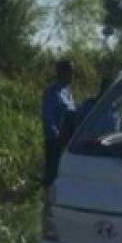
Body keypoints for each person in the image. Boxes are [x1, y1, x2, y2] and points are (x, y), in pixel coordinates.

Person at [41, 60, 76, 188]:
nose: (72, 76)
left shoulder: (68, 92)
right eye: (70, 72)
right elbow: (47, 117)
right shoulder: (51, 92)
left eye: (73, 73)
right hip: (55, 141)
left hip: (67, 140)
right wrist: (57, 136)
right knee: (52, 174)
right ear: (61, 73)